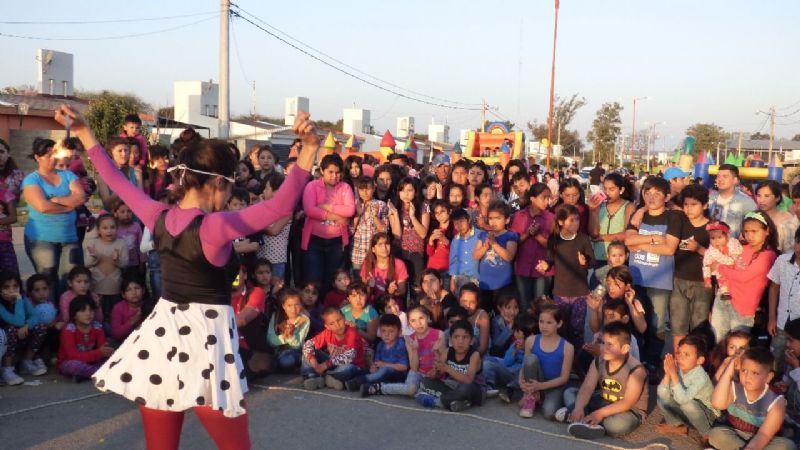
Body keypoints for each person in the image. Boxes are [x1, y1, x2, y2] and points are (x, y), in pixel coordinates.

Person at [57, 104, 317, 449]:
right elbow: (279, 207)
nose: (229, 195)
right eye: (229, 186)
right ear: (217, 183)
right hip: (206, 344)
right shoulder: (216, 225)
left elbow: (115, 179)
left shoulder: (158, 215)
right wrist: (310, 149)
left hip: (161, 339)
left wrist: (85, 131)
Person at [625, 176, 682, 367]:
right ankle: (636, 359)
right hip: (637, 278)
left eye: (657, 193)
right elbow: (628, 241)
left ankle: (652, 362)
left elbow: (669, 249)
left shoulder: (673, 216)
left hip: (660, 281)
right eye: (647, 192)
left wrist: (639, 242)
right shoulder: (638, 215)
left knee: (657, 324)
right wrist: (655, 239)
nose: (651, 197)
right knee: (637, 320)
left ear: (666, 197)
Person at [22, 137, 86, 300]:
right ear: (37, 157)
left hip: (69, 237)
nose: (53, 158)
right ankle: (48, 318)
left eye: (54, 154)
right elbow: (43, 207)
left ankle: (65, 317)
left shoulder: (68, 175)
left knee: (69, 279)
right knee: (47, 280)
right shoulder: (32, 180)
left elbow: (80, 198)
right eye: (47, 155)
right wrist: (69, 206)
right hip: (42, 239)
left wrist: (57, 200)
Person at [562, 321, 648, 440]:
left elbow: (628, 402)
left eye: (610, 345)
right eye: (603, 343)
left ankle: (585, 420)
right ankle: (587, 419)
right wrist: (579, 407)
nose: (604, 348)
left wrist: (599, 413)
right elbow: (587, 387)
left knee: (616, 425)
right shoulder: (599, 360)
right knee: (569, 393)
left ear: (624, 349)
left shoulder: (636, 369)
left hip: (627, 410)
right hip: (603, 401)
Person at [709, 347, 796, 450]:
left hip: (764, 439)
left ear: (768, 377)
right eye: (744, 370)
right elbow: (717, 403)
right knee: (716, 435)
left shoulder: (776, 401)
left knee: (787, 446)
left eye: (755, 373)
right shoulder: (735, 387)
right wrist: (730, 369)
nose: (748, 376)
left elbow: (764, 434)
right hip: (737, 433)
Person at [711, 211, 778, 342]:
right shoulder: (742, 247)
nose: (749, 236)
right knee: (718, 342)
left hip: (743, 308)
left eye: (754, 231)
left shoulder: (768, 255)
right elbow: (726, 260)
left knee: (738, 347)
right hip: (723, 298)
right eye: (746, 231)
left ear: (767, 231)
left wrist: (720, 267)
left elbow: (744, 277)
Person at [536, 204, 594, 347]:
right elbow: (550, 259)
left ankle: (577, 359)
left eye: (577, 220)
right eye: (571, 220)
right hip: (560, 291)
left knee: (577, 329)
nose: (576, 223)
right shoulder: (554, 240)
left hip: (580, 292)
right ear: (561, 222)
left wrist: (584, 261)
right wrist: (545, 265)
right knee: (560, 327)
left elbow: (592, 261)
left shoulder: (583, 239)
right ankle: (561, 355)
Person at [361, 306, 446, 398]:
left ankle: (422, 391)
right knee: (410, 390)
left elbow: (443, 361)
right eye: (413, 320)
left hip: (436, 374)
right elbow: (414, 367)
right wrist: (414, 349)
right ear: (409, 323)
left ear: (428, 317)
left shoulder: (439, 334)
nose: (418, 323)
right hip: (417, 373)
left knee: (422, 391)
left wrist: (436, 371)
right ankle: (379, 388)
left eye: (421, 318)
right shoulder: (409, 339)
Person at [302, 153, 355, 296]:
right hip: (314, 240)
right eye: (330, 172)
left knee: (333, 280)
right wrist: (337, 217)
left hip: (337, 241)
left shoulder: (345, 187)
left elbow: (350, 210)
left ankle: (332, 310)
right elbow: (309, 210)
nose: (334, 176)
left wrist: (326, 206)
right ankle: (315, 312)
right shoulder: (311, 186)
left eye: (338, 173)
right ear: (322, 170)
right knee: (314, 279)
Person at [669, 184, 713, 351]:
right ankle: (677, 364)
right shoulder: (679, 222)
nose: (689, 209)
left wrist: (699, 249)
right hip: (679, 280)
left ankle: (697, 368)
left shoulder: (713, 228)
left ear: (705, 205)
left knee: (698, 330)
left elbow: (719, 258)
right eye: (686, 204)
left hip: (703, 284)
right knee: (677, 328)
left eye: (694, 204)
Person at [656, 335, 719, 442]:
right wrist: (667, 374)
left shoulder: (701, 376)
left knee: (688, 405)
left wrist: (673, 375)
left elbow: (682, 400)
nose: (680, 358)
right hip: (687, 408)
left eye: (687, 355)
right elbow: (662, 394)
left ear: (700, 360)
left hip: (708, 416)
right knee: (662, 399)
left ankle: (706, 434)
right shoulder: (678, 369)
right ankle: (676, 425)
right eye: (679, 353)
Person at [416, 319, 486, 412]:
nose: (460, 341)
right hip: (452, 386)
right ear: (450, 339)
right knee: (425, 381)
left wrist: (447, 368)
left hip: (474, 389)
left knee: (466, 389)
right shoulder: (448, 351)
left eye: (465, 337)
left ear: (472, 340)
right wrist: (435, 370)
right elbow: (438, 374)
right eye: (456, 337)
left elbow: (468, 380)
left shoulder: (474, 355)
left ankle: (438, 402)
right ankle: (458, 402)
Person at [518, 304, 574, 420]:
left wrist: (541, 386)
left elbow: (564, 378)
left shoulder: (567, 347)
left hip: (554, 386)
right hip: (536, 380)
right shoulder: (531, 340)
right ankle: (530, 396)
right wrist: (521, 382)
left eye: (549, 323)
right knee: (530, 359)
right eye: (541, 322)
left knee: (549, 412)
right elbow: (525, 365)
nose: (544, 326)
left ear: (559, 324)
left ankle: (539, 395)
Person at [301, 307, 367, 391]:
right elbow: (308, 344)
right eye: (332, 323)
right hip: (332, 364)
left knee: (349, 368)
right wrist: (314, 362)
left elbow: (349, 357)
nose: (337, 325)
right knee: (308, 349)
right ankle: (311, 376)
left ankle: (324, 377)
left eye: (339, 320)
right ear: (327, 326)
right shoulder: (327, 333)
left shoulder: (352, 332)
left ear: (344, 318)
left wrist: (325, 365)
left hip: (350, 366)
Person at [0, 271, 48, 384]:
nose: (12, 290)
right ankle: (7, 368)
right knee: (11, 329)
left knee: (40, 326)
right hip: (6, 342)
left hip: (21, 336)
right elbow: (17, 321)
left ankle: (27, 361)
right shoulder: (3, 304)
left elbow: (35, 316)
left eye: (15, 286)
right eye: (6, 287)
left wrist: (27, 325)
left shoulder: (22, 298)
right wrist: (18, 299)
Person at [511, 183, 554, 310]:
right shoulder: (520, 216)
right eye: (543, 198)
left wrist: (537, 236)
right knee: (524, 304)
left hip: (542, 268)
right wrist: (528, 234)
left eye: (548, 198)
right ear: (532, 198)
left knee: (540, 305)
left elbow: (553, 246)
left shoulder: (551, 218)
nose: (547, 201)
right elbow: (514, 242)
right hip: (522, 266)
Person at [82, 214, 129, 326]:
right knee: (99, 313)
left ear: (117, 229)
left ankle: (115, 331)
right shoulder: (93, 243)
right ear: (98, 230)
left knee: (114, 313)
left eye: (112, 227)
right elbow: (87, 264)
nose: (109, 231)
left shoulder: (121, 243)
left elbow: (125, 264)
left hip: (115, 287)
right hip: (97, 286)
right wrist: (95, 257)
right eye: (105, 228)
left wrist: (116, 260)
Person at [474, 201, 518, 312]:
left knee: (502, 313)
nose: (493, 222)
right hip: (485, 284)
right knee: (487, 312)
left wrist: (494, 244)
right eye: (491, 218)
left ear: (507, 220)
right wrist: (485, 247)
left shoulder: (510, 235)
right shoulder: (483, 235)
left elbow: (509, 256)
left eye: (498, 218)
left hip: (503, 284)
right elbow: (475, 255)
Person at [58, 295, 114, 381]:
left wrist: (106, 351)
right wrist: (99, 353)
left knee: (111, 359)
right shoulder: (69, 330)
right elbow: (72, 356)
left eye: (91, 310)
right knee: (73, 366)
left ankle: (86, 374)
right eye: (83, 310)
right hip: (70, 361)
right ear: (74, 315)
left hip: (91, 361)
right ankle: (101, 373)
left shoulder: (97, 327)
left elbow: (102, 349)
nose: (88, 314)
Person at [768, 228, 800, 373]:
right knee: (775, 361)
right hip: (781, 324)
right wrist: (772, 318)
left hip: (798, 330)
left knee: (795, 364)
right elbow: (774, 288)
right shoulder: (782, 260)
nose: (799, 248)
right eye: (798, 242)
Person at [588, 173, 634, 267]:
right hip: (600, 257)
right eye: (605, 189)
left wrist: (602, 238)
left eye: (612, 189)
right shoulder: (599, 206)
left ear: (621, 190)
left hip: (619, 259)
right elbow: (594, 234)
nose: (607, 193)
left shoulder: (629, 206)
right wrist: (592, 211)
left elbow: (627, 234)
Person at [356, 313, 408, 389]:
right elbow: (377, 362)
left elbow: (404, 367)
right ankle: (368, 383)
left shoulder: (401, 345)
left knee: (385, 370)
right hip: (381, 372)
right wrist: (374, 367)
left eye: (391, 331)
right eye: (383, 331)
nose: (386, 334)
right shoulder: (380, 344)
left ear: (399, 332)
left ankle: (361, 382)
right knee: (365, 371)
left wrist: (385, 365)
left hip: (398, 374)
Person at [350, 176, 388, 276]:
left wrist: (375, 217)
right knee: (357, 281)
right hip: (357, 252)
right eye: (362, 189)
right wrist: (358, 214)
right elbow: (350, 231)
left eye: (368, 189)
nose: (365, 192)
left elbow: (384, 231)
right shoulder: (354, 204)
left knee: (374, 282)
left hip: (375, 253)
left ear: (374, 188)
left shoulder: (381, 205)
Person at [709, 164, 757, 239]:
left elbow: (755, 225)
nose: (720, 179)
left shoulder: (746, 202)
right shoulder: (710, 198)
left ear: (735, 180)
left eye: (725, 176)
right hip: (710, 246)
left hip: (733, 247)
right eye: (718, 176)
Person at [267, 288, 309, 372]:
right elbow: (270, 340)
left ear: (301, 305)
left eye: (297, 305)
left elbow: (297, 344)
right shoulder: (276, 316)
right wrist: (285, 337)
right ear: (283, 306)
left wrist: (290, 336)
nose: (293, 309)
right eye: (289, 305)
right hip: (277, 352)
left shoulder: (304, 319)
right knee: (269, 362)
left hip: (295, 352)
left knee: (285, 362)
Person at [757, 180, 799, 253]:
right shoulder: (752, 217)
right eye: (758, 195)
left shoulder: (788, 220)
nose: (761, 200)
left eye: (767, 196)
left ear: (777, 198)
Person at [448, 208, 480, 293]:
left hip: (477, 278)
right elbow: (453, 261)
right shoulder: (455, 240)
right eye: (456, 223)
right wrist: (452, 280)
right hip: (460, 278)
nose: (459, 226)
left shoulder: (480, 235)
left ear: (468, 220)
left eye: (462, 221)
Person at [109, 278, 145, 343]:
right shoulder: (118, 308)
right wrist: (133, 320)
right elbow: (116, 334)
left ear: (143, 290)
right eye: (129, 290)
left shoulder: (150, 305)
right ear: (123, 294)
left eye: (137, 288)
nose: (134, 292)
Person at [459, 283, 490, 356]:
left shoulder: (482, 316)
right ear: (459, 300)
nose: (468, 305)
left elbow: (483, 347)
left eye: (472, 302)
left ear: (477, 302)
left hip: (478, 356)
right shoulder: (455, 314)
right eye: (464, 301)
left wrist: (467, 359)